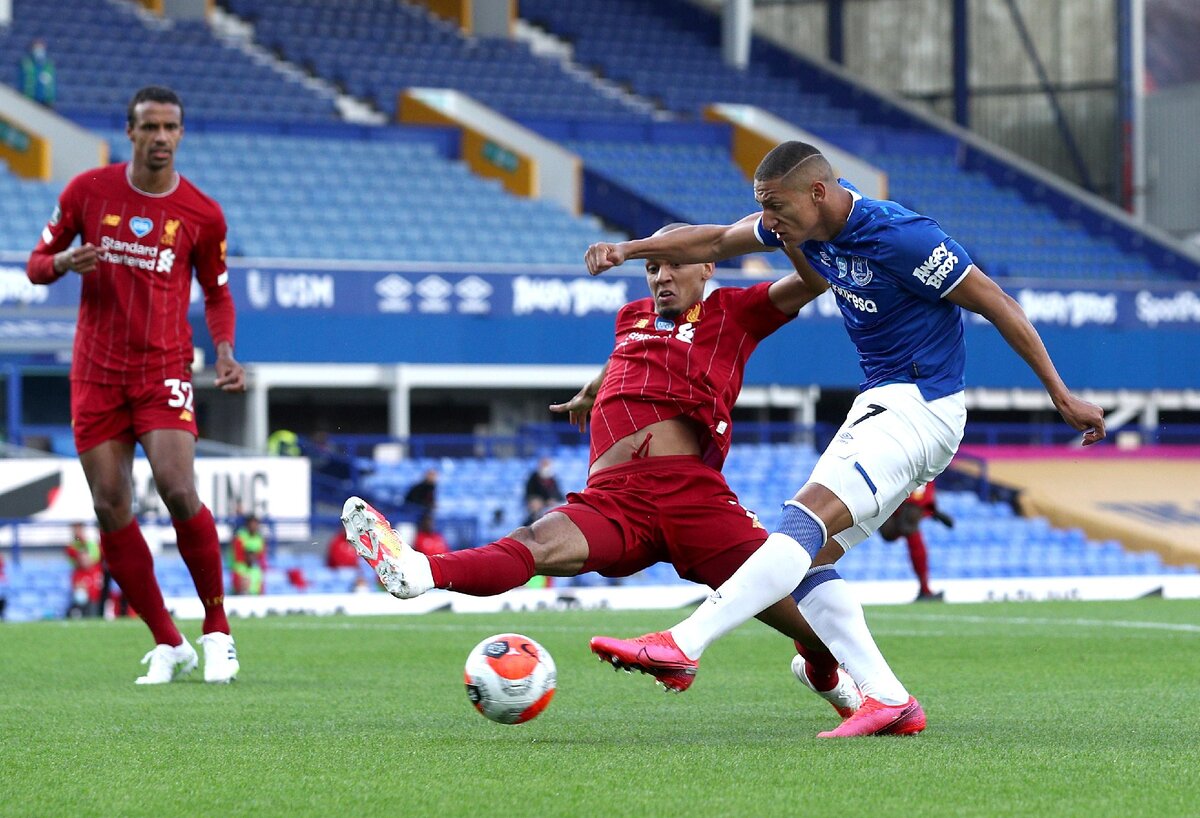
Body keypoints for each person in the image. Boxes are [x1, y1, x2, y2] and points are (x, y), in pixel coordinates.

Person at [582, 140, 1106, 736]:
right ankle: (883, 698)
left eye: (776, 208)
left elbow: (997, 303)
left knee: (798, 524)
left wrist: (1061, 395)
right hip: (887, 402)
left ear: (818, 192)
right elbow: (712, 240)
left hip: (918, 401)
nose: (770, 224)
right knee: (802, 562)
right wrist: (629, 249)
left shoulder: (903, 237)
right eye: (764, 210)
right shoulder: (800, 227)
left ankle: (682, 643)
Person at [341, 223, 865, 722]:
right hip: (614, 499)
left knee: (798, 608)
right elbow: (627, 355)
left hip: (691, 494)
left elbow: (815, 280)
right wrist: (595, 389)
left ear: (708, 265)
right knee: (534, 541)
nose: (661, 277)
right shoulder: (630, 317)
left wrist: (791, 234)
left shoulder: (736, 311)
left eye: (673, 264)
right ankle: (418, 573)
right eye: (652, 268)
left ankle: (825, 672)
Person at [26, 85, 244, 685]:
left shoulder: (202, 213)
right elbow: (36, 263)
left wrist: (224, 352)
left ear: (180, 133)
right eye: (150, 127)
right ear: (130, 132)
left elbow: (219, 291)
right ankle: (167, 641)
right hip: (96, 372)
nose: (161, 138)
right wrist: (63, 263)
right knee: (109, 504)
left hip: (163, 368)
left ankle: (218, 628)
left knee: (177, 487)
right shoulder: (87, 192)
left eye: (170, 127)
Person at [878, 481, 954, 601]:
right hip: (893, 486)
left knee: (909, 523)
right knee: (891, 531)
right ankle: (925, 590)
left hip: (913, 481)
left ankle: (925, 589)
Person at [66, 522, 103, 617]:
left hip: (95, 596)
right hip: (84, 593)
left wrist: (80, 537)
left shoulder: (91, 545)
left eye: (79, 529)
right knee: (80, 596)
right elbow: (74, 550)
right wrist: (77, 537)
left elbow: (93, 554)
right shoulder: (75, 545)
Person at [230, 515, 267, 595]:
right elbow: (237, 555)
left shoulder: (259, 538)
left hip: (253, 567)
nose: (254, 526)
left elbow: (261, 556)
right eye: (252, 524)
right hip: (242, 566)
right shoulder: (240, 537)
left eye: (255, 524)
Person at [523, 456, 564, 525]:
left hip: (549, 508)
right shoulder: (533, 478)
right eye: (544, 464)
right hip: (538, 508)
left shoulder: (552, 479)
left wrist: (553, 500)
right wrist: (537, 501)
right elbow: (529, 494)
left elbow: (559, 495)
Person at [18, 38, 56, 108]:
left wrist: (51, 99)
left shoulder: (48, 64)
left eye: (41, 47)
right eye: (37, 47)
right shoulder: (26, 63)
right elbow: (21, 81)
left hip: (46, 101)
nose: (39, 50)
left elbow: (52, 84)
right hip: (30, 99)